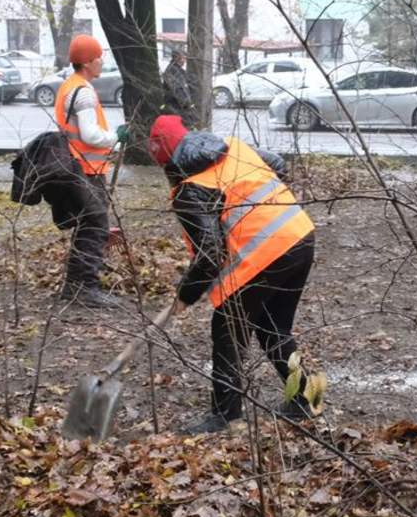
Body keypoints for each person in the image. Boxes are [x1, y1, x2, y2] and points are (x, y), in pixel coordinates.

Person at [147, 114, 320, 434]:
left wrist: (186, 294)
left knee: (226, 326)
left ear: (165, 164)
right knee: (273, 327)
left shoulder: (190, 189)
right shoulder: (233, 149)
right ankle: (304, 400)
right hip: (300, 236)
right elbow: (277, 164)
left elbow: (210, 254)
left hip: (265, 253)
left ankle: (225, 414)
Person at [48, 34, 120, 308]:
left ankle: (75, 286)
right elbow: (90, 135)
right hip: (86, 170)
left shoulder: (71, 86)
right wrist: (116, 137)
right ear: (88, 62)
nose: (102, 62)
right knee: (95, 226)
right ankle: (85, 288)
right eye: (99, 57)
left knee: (87, 226)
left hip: (78, 169)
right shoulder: (84, 92)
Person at [162, 50, 197, 126]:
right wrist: (186, 103)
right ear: (177, 58)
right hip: (176, 109)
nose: (185, 60)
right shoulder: (173, 71)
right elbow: (178, 89)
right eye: (183, 58)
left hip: (179, 109)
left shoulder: (179, 71)